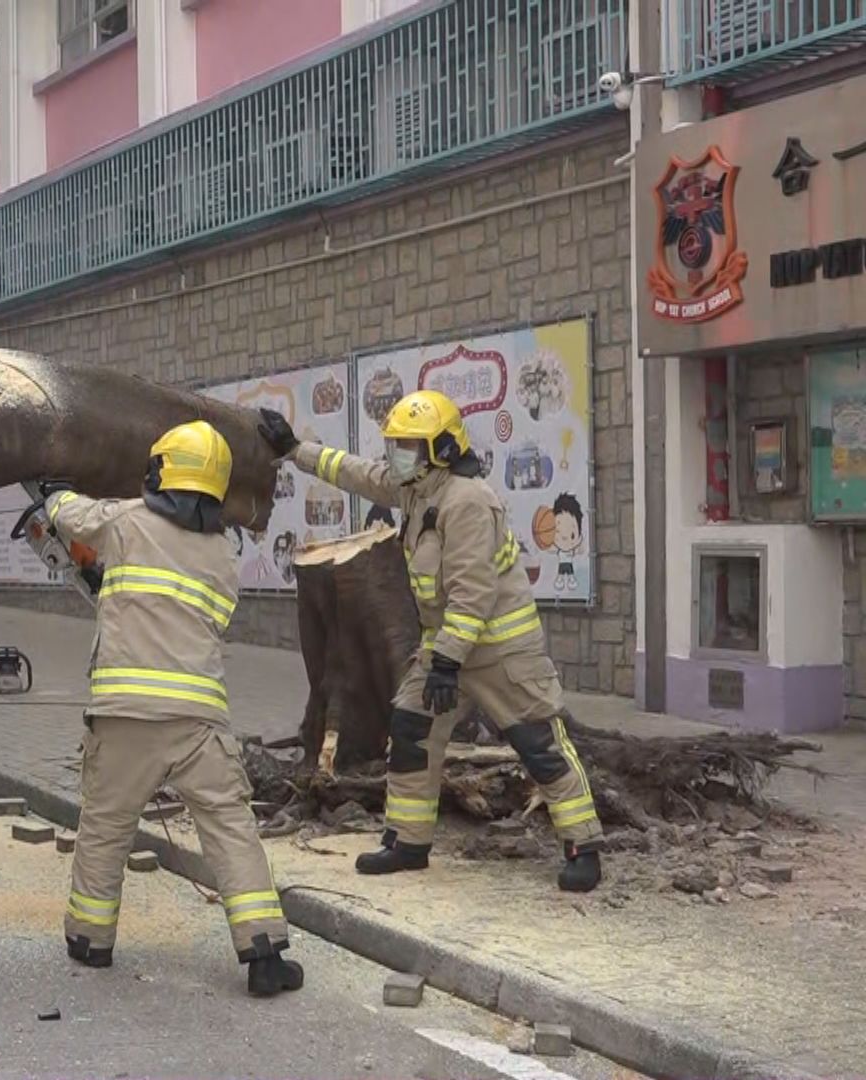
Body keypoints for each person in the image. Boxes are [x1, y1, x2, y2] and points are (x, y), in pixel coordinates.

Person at [257, 391, 603, 893]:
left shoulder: (467, 502)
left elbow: (473, 594)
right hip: (447, 649)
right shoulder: (417, 488)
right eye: (395, 444)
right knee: (411, 729)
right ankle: (408, 841)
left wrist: (445, 665)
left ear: (440, 447)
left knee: (538, 743)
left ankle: (583, 845)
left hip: (500, 653)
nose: (397, 453)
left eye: (407, 445)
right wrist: (294, 450)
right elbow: (355, 472)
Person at [35, 420, 304, 997]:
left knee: (105, 827)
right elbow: (199, 617)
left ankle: (90, 938)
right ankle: (264, 951)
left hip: (125, 715)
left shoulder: (126, 521)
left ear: (161, 472)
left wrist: (52, 491)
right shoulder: (221, 558)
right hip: (198, 722)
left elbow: (73, 517)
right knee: (231, 829)